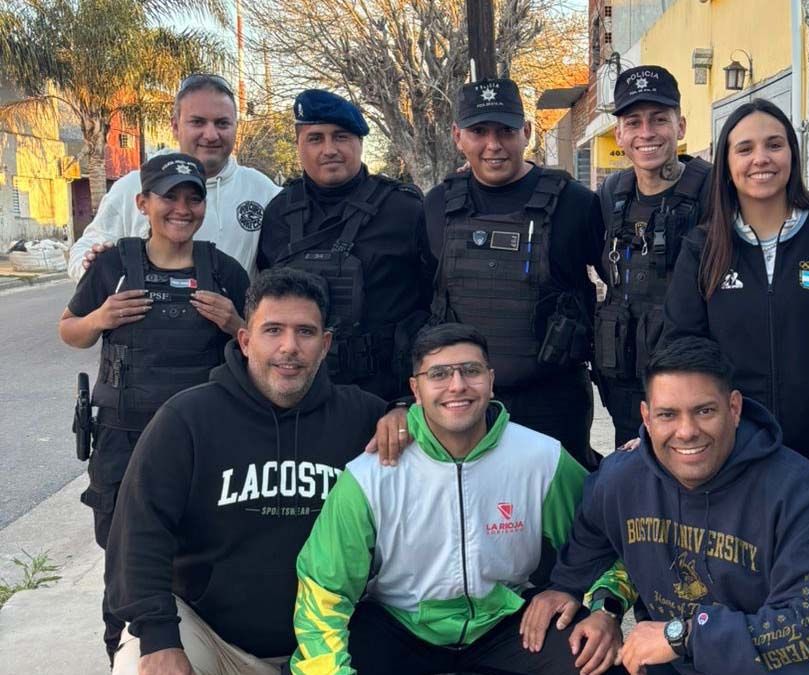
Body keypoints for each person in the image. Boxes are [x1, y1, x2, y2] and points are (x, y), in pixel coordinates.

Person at [291, 323, 631, 675]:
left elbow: (603, 541)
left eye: (471, 371)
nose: (457, 385)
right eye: (438, 373)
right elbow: (323, 590)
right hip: (398, 626)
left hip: (507, 622)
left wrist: (599, 603)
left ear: (490, 379)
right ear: (416, 389)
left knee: (600, 662)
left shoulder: (541, 458)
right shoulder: (370, 476)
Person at [550, 337, 809, 674]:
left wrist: (684, 636)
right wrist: (581, 598)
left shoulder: (796, 490)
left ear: (734, 408)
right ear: (646, 417)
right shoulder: (620, 480)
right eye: (667, 415)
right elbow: (588, 542)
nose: (686, 431)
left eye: (704, 411)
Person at [105, 267, 388, 675]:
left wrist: (400, 412)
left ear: (325, 345)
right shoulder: (188, 419)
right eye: (272, 330)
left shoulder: (362, 416)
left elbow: (450, 423)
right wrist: (158, 638)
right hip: (212, 637)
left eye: (305, 332)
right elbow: (139, 532)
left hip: (329, 642)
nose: (289, 347)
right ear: (244, 339)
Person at [662, 99, 809, 550]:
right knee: (746, 602)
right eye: (744, 148)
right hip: (733, 462)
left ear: (792, 153)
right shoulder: (703, 246)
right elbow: (681, 352)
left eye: (774, 145)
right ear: (726, 164)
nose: (760, 159)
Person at [57, 152, 250, 661]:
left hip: (203, 445)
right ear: (143, 203)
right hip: (124, 440)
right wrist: (101, 316)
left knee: (201, 552)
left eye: (193, 198)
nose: (182, 208)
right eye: (170, 197)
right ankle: (128, 653)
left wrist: (234, 322)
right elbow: (69, 331)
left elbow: (261, 346)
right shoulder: (115, 266)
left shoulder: (223, 269)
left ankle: (200, 652)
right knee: (125, 558)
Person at [423, 78, 605, 469]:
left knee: (564, 521)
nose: (493, 144)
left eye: (506, 130)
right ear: (458, 136)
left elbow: (619, 293)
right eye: (478, 131)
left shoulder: (576, 204)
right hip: (463, 405)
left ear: (526, 133)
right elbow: (417, 306)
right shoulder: (437, 206)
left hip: (553, 401)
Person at [257, 89, 433, 401]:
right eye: (315, 138)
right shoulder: (278, 213)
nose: (329, 149)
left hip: (384, 396)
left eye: (341, 137)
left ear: (359, 143)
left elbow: (434, 304)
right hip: (297, 393)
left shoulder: (405, 210)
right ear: (299, 144)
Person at [592, 65, 712, 446]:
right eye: (634, 121)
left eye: (659, 119)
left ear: (681, 126)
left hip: (692, 387)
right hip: (624, 385)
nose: (646, 133)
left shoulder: (715, 190)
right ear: (620, 135)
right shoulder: (610, 194)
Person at [69, 74, 280, 279]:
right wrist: (91, 266)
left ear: (236, 127)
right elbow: (85, 249)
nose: (211, 135)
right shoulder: (134, 186)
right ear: (175, 126)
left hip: (232, 314)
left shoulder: (262, 190)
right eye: (198, 122)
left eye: (222, 123)